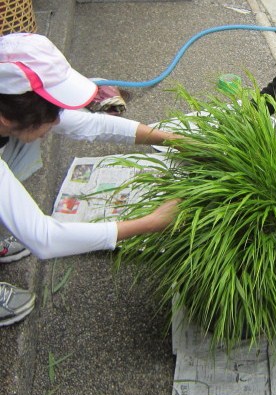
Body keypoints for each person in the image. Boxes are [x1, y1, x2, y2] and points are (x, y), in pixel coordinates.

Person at [0, 32, 180, 326]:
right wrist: (152, 222)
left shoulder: (7, 104)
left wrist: (170, 138)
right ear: (8, 117)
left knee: (27, 141)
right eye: (52, 113)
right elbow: (45, 239)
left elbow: (88, 124)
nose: (59, 120)